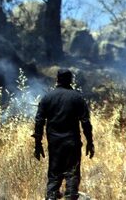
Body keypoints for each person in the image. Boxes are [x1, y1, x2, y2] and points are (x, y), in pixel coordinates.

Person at [33, 69, 94, 200]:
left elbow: (39, 121)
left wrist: (38, 144)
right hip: (72, 143)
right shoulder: (77, 97)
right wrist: (90, 142)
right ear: (71, 80)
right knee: (72, 175)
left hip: (54, 144)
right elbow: (86, 122)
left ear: (57, 80)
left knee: (54, 176)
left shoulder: (47, 98)